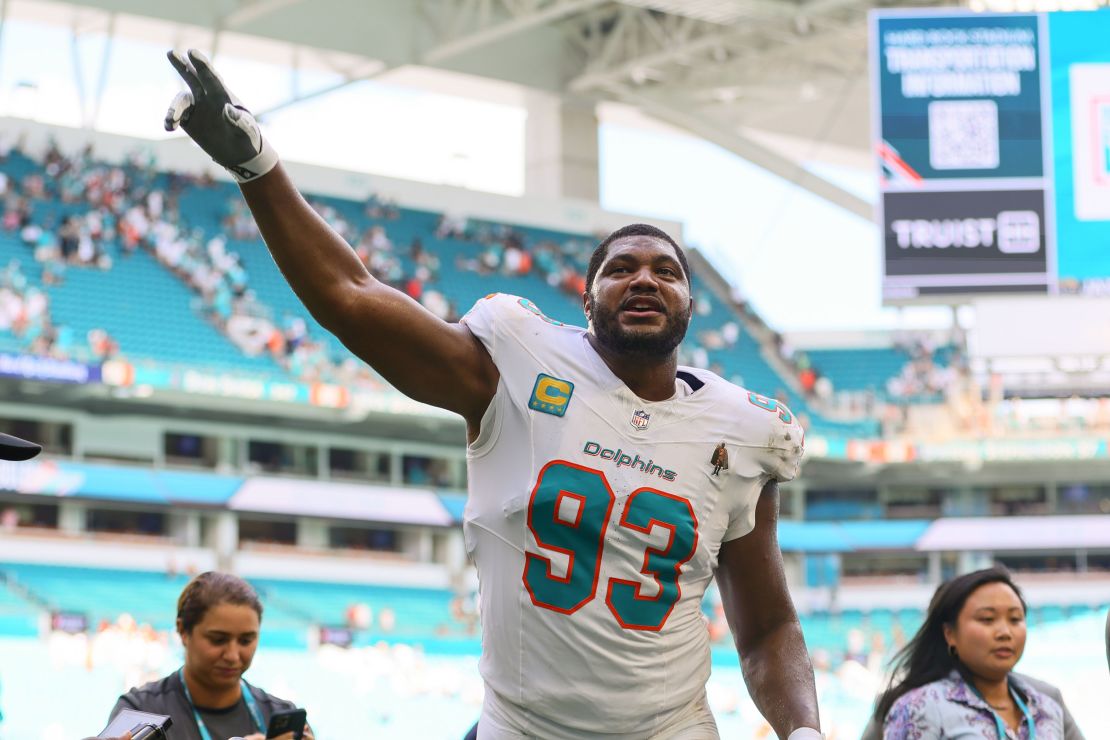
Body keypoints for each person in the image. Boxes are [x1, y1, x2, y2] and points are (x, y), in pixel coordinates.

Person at [165, 48, 822, 740]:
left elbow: (768, 624)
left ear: (691, 305)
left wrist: (803, 730)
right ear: (588, 302)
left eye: (667, 271)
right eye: (620, 268)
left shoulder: (741, 433)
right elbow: (351, 298)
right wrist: (258, 166)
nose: (645, 279)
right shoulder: (515, 368)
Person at [864, 567, 1081, 739]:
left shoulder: (1045, 705)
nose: (1005, 632)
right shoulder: (916, 707)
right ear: (949, 633)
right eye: (987, 619)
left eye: (1015, 619)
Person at [106, 571, 313, 740]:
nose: (232, 655)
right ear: (183, 631)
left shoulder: (280, 717)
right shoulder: (141, 713)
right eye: (218, 639)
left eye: (246, 641)